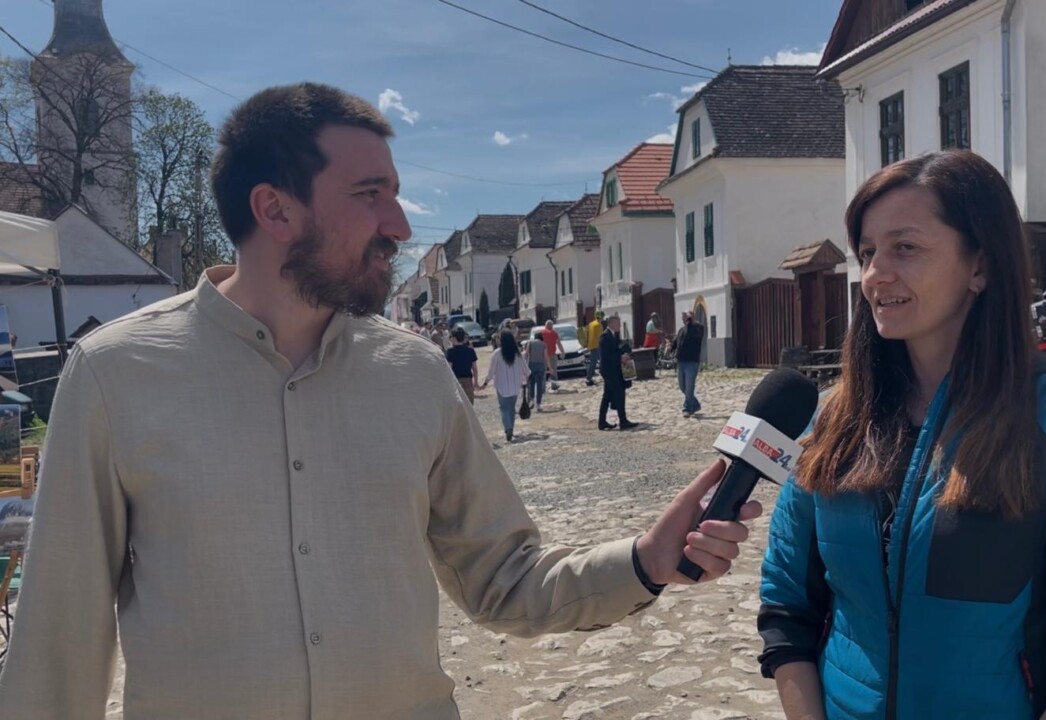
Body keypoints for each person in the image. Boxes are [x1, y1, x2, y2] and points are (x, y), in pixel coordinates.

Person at [0, 82, 762, 720]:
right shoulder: (115, 375)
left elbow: (504, 579)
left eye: (395, 195)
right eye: (371, 196)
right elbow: (57, 645)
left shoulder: (416, 375)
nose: (398, 226)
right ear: (274, 210)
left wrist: (643, 562)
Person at [758, 151, 1046, 720]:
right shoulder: (835, 420)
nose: (875, 275)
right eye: (868, 253)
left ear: (981, 266)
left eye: (905, 247)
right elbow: (786, 607)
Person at [482, 330, 529, 442]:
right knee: (511, 408)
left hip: (501, 386)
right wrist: (525, 380)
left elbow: (491, 372)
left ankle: (508, 428)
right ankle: (511, 428)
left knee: (504, 408)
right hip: (515, 386)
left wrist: (485, 383)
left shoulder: (497, 354)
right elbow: (526, 371)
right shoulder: (517, 354)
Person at [598, 315, 637, 431]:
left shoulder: (614, 335)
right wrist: (620, 358)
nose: (620, 326)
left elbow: (616, 350)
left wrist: (624, 353)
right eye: (618, 324)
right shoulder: (605, 337)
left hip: (614, 370)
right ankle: (623, 420)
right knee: (619, 394)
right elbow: (606, 356)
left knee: (607, 397)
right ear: (612, 324)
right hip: (609, 371)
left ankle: (602, 422)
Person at [675, 310, 704, 416]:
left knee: (689, 387)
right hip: (681, 362)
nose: (685, 318)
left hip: (692, 362)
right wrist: (670, 347)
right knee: (682, 386)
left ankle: (687, 408)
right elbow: (676, 342)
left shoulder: (698, 328)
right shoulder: (681, 330)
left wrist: (690, 322)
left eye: (687, 316)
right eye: (684, 316)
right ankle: (695, 404)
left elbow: (694, 334)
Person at [445, 326, 479, 404]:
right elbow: (475, 369)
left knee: (457, 406)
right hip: (468, 381)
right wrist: (476, 382)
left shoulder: (450, 351)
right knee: (469, 405)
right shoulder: (470, 351)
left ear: (454, 338)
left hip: (456, 381)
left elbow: (449, 368)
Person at [524, 329, 548, 412]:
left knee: (531, 383)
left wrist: (524, 364)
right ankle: (538, 404)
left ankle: (531, 400)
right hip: (540, 365)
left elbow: (526, 353)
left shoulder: (530, 343)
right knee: (540, 384)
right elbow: (545, 357)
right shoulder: (544, 345)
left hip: (531, 365)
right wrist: (548, 366)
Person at [541, 319, 564, 390]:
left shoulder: (541, 333)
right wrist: (562, 352)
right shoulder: (554, 333)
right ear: (551, 326)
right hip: (552, 354)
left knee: (543, 371)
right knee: (553, 370)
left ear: (545, 325)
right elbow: (558, 343)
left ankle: (542, 386)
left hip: (543, 355)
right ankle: (554, 385)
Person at [584, 309, 604, 386]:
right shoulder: (599, 325)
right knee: (602, 362)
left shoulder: (591, 324)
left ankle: (588, 378)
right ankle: (589, 378)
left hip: (591, 345)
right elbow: (601, 337)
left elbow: (587, 334)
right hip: (597, 345)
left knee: (593, 363)